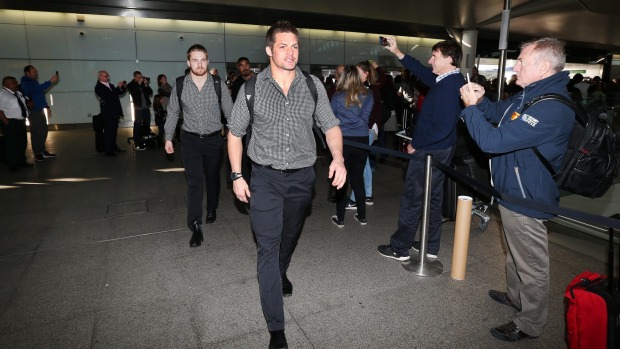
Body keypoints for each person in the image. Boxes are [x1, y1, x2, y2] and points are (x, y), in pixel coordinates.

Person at [227, 20, 346, 349]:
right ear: (269, 50)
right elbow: (235, 133)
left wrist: (337, 157)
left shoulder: (312, 86)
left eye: (295, 46)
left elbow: (330, 125)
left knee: (289, 234)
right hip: (264, 177)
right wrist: (237, 175)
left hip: (303, 177)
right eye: (283, 46)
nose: (291, 52)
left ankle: (281, 269)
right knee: (267, 246)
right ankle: (276, 328)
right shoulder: (251, 89)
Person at [460, 37, 573, 342]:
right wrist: (482, 102)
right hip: (512, 191)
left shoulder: (551, 108)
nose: (515, 65)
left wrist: (471, 110)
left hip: (528, 198)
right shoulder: (529, 95)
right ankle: (514, 296)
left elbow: (492, 142)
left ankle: (530, 323)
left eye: (522, 60)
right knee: (515, 253)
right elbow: (500, 114)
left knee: (532, 264)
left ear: (544, 67)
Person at [377, 37, 464, 261]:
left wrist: (416, 144)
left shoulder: (447, 87)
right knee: (433, 198)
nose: (430, 60)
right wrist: (397, 52)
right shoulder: (448, 80)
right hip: (441, 150)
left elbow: (442, 128)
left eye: (434, 56)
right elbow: (421, 71)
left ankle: (400, 247)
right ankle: (431, 245)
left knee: (413, 197)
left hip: (430, 151)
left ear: (449, 58)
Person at [164, 44, 233, 247]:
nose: (199, 64)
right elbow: (173, 112)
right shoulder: (180, 84)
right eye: (195, 60)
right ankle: (195, 224)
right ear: (188, 63)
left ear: (207, 61)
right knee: (194, 182)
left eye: (202, 59)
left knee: (212, 178)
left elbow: (229, 112)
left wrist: (234, 135)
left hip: (214, 140)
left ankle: (212, 207)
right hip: (191, 141)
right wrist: (168, 137)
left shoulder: (218, 84)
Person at [330, 65, 373, 227]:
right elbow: (365, 118)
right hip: (362, 139)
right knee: (357, 178)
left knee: (341, 179)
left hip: (342, 140)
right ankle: (362, 216)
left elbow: (331, 120)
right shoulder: (368, 95)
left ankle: (340, 218)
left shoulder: (337, 97)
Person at [346, 59, 386, 209]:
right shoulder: (367, 87)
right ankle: (367, 194)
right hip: (370, 127)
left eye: (358, 71)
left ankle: (358, 197)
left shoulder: (369, 88)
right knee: (365, 162)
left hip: (367, 128)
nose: (355, 73)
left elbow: (383, 79)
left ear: (366, 73)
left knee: (361, 163)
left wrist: (378, 66)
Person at [20, 65, 58, 162]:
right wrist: (50, 82)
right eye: (34, 72)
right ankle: (37, 153)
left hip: (39, 110)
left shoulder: (34, 82)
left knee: (43, 130)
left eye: (36, 71)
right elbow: (36, 90)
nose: (36, 73)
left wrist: (47, 107)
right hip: (33, 112)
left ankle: (42, 151)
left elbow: (40, 95)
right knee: (36, 132)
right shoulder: (26, 83)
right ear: (27, 73)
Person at [0, 76, 32, 171]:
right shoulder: (2, 94)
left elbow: (23, 103)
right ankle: (13, 165)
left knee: (22, 142)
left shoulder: (17, 93)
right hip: (10, 122)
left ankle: (22, 162)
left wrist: (29, 104)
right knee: (12, 144)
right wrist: (6, 121)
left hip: (20, 121)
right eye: (13, 83)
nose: (16, 84)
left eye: (16, 82)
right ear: (6, 84)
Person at [95, 70, 127, 156]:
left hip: (114, 112)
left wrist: (123, 87)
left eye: (108, 76)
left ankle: (113, 147)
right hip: (108, 113)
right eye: (106, 76)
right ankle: (109, 151)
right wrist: (117, 88)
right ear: (100, 76)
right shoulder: (98, 87)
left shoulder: (110, 85)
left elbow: (119, 93)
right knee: (109, 132)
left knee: (114, 131)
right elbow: (108, 96)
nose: (108, 78)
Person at [126, 71, 153, 150]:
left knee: (147, 124)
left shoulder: (143, 84)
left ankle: (146, 139)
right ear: (134, 77)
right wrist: (139, 84)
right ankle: (136, 142)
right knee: (137, 125)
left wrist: (146, 84)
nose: (140, 78)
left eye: (140, 77)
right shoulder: (131, 85)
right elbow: (135, 93)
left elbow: (150, 92)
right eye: (138, 77)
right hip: (138, 109)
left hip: (146, 108)